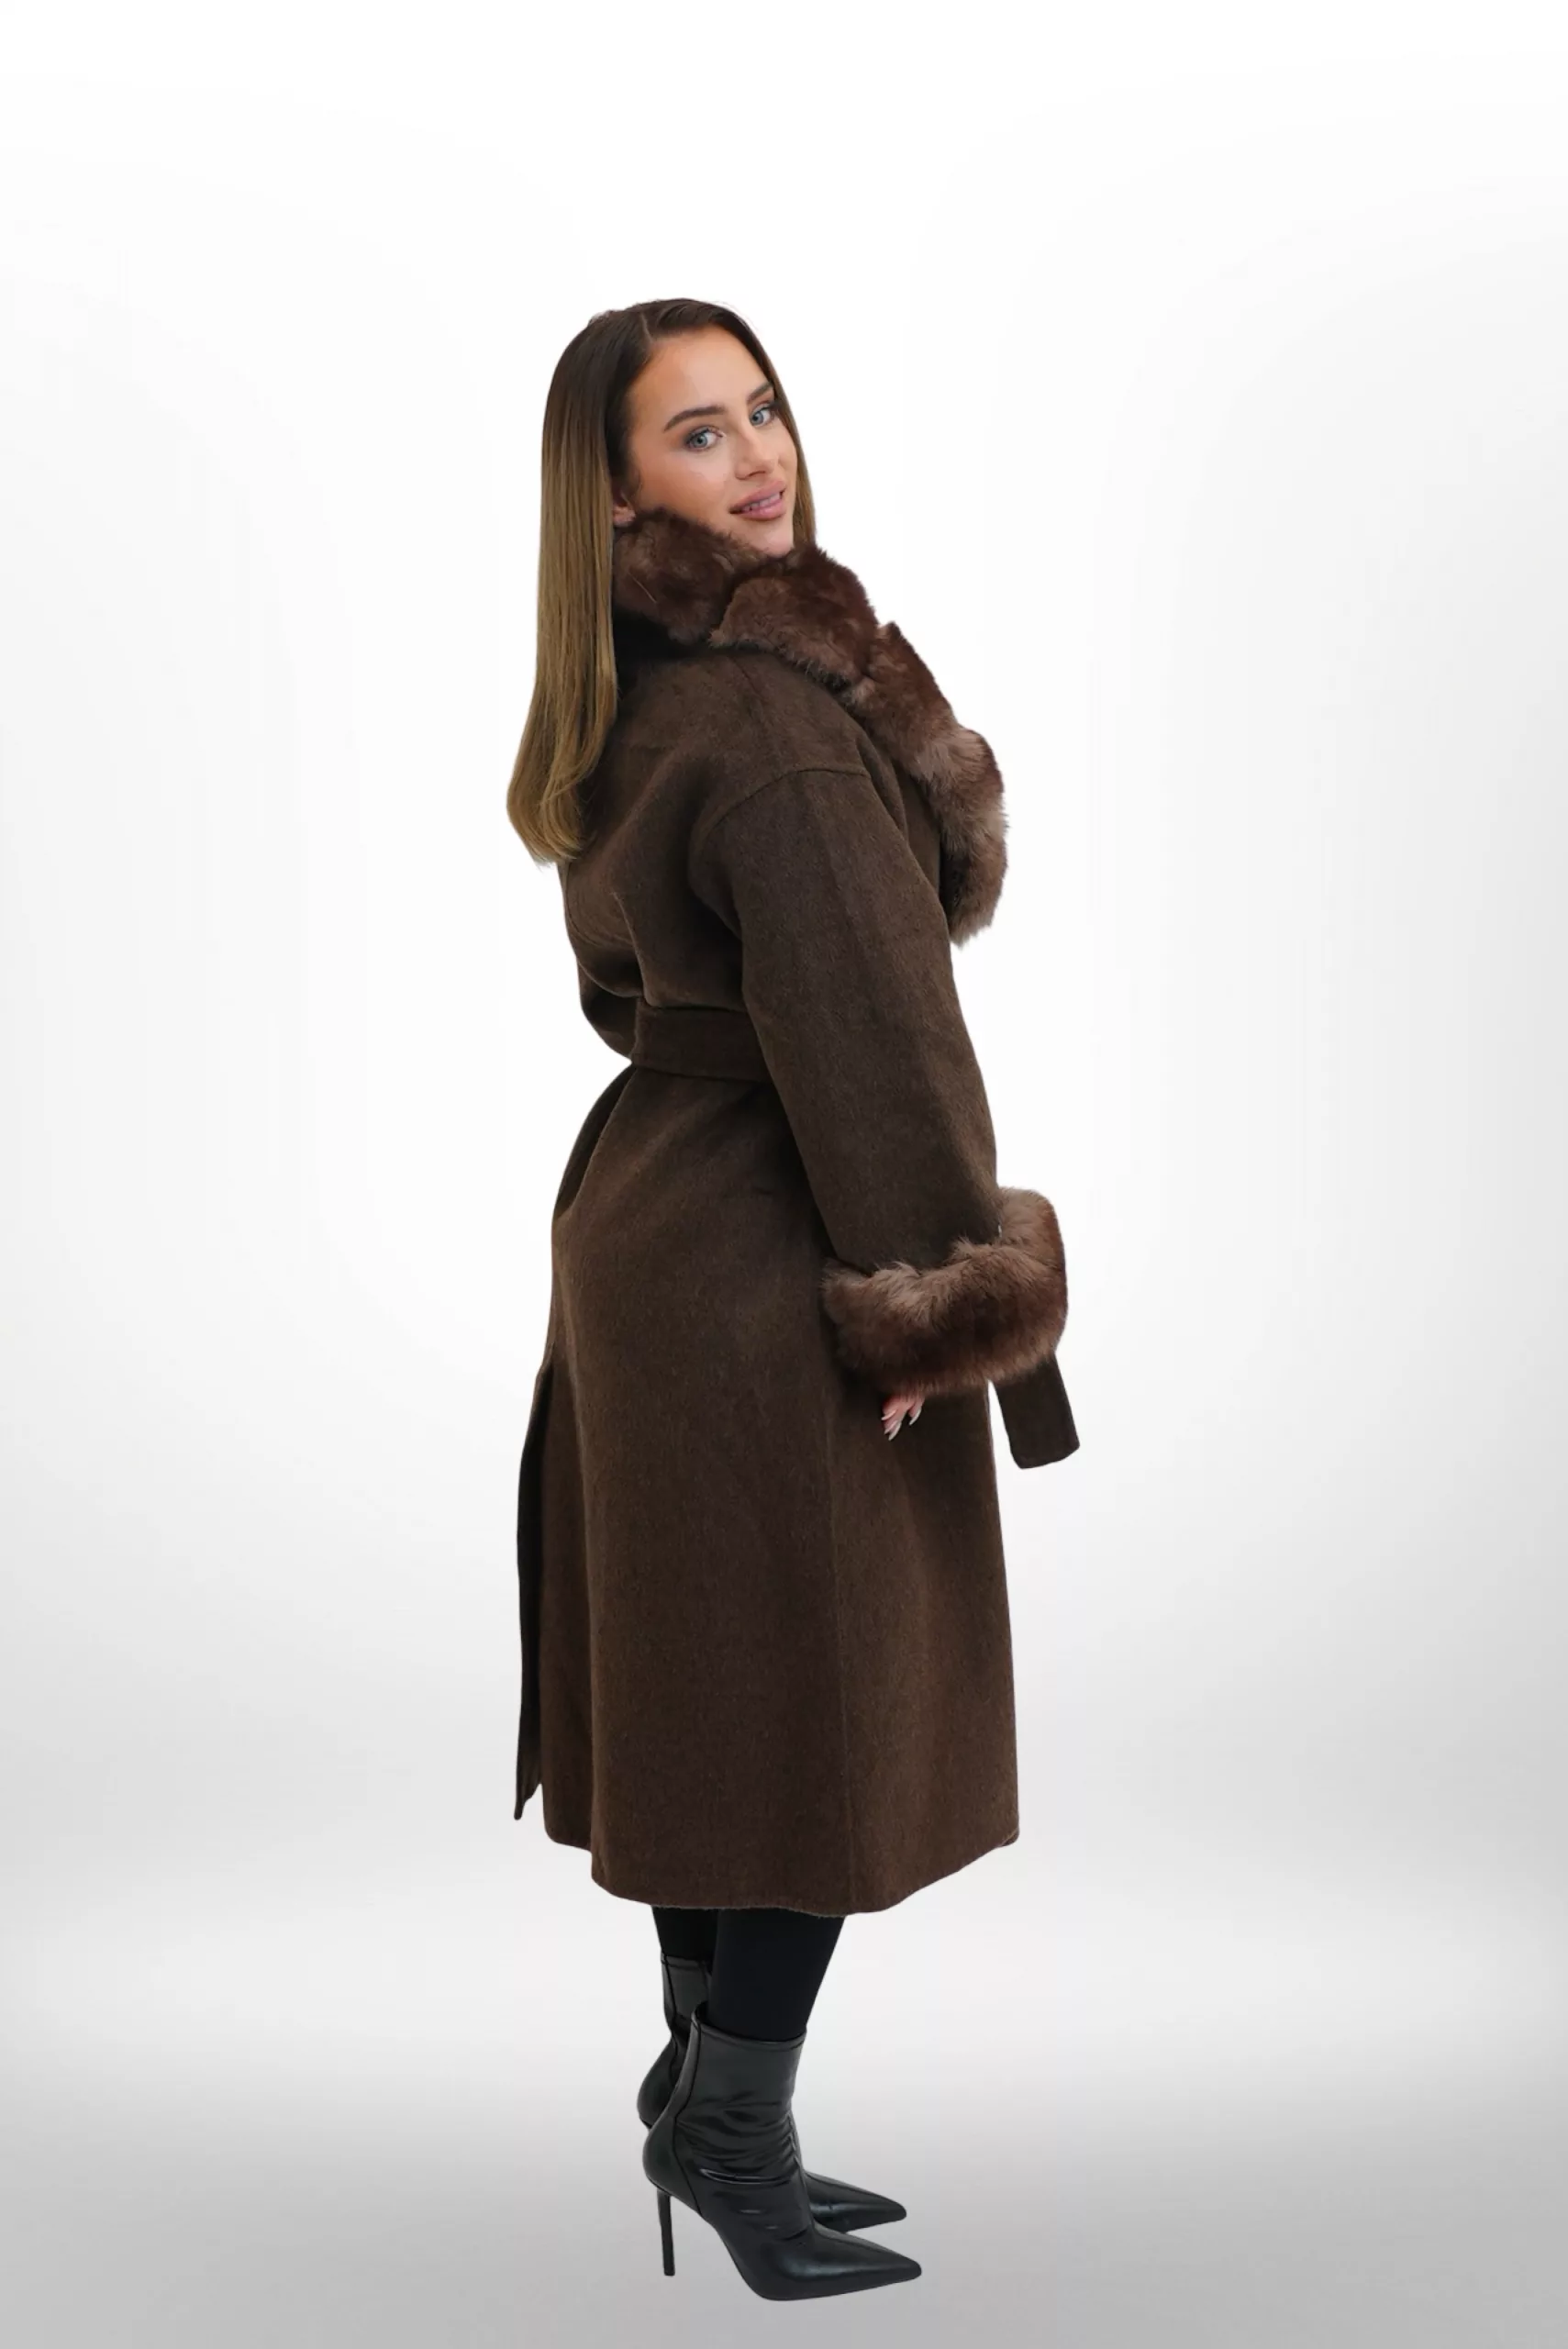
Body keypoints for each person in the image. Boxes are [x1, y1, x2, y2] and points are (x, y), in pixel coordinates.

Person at [506, 298, 1080, 2302]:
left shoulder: (634, 694)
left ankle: (703, 2098)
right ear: (613, 495)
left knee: (707, 1689)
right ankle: (732, 2134)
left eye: (763, 410)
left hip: (652, 1225)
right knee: (810, 1704)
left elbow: (644, 990)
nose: (758, 455)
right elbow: (875, 1031)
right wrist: (925, 1289)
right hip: (779, 1246)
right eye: (697, 432)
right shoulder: (773, 729)